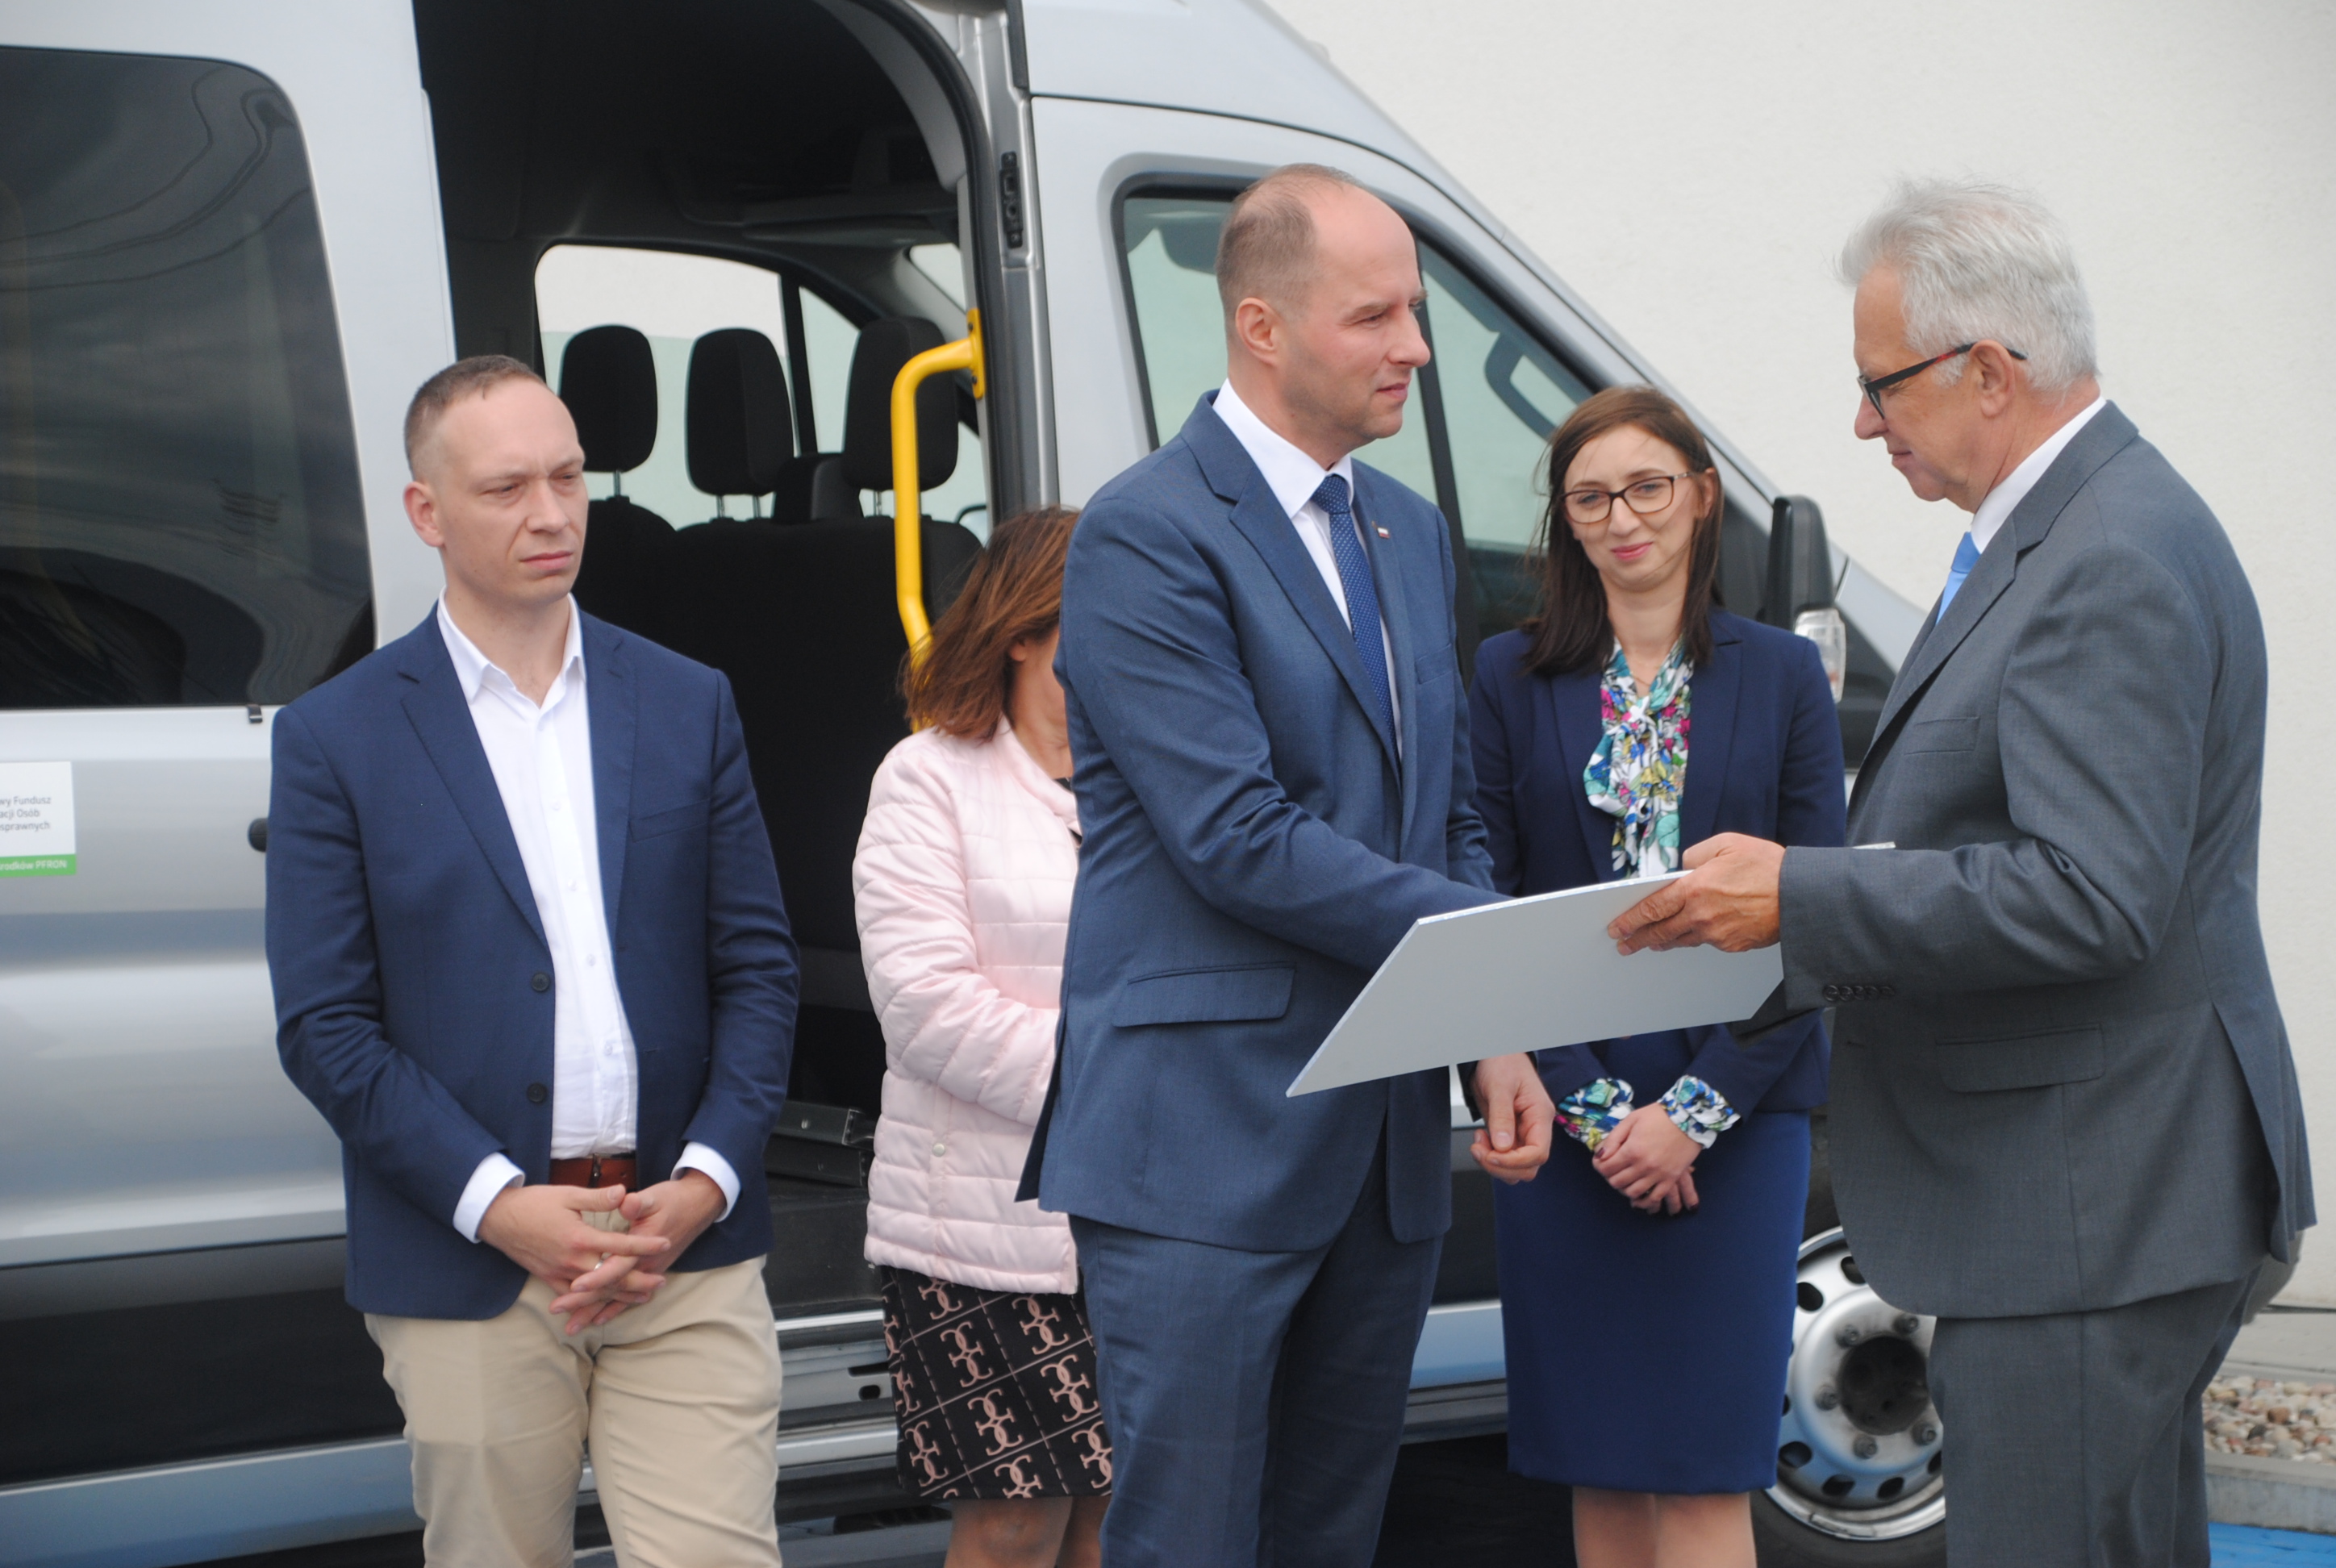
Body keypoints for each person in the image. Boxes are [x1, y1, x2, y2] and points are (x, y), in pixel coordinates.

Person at [1608, 179, 2312, 1567]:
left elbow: (2092, 894)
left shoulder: (2104, 554)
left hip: (2090, 1207)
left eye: (1882, 387)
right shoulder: (2078, 525)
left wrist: (1801, 896)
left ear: (1989, 370)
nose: (1865, 423)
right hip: (2096, 1196)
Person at [1020, 163, 1556, 1567]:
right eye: (1375, 317)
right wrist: (1506, 948)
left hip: (1376, 1151)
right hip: (1202, 1149)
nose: (1416, 350)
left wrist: (1496, 1021)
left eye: (1416, 313)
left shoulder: (1410, 530)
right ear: (1261, 327)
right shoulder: (1146, 530)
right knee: (1191, 1541)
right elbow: (1236, 839)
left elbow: (1443, 807)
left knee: (1332, 1536)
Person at [267, 357, 798, 1567]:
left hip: (685, 1246)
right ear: (426, 513)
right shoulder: (334, 739)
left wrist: (708, 1178)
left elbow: (757, 968)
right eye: (507, 487)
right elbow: (327, 1027)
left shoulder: (687, 700)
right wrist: (502, 1208)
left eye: (569, 477)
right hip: (470, 1265)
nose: (553, 514)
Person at [1470, 385, 1845, 1567]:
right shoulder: (1506, 676)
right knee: (1601, 1469)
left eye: (1646, 487)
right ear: (1566, 522)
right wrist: (1594, 1114)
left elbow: (1820, 913)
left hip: (1736, 1113)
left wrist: (1688, 1119)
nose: (1621, 518)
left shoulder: (1783, 675)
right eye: (1590, 498)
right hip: (1564, 1109)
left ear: (1700, 497)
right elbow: (1484, 895)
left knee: (1698, 1474)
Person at [853, 505, 1109, 1568]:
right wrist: (1138, 1082)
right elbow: (926, 1008)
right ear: (1023, 630)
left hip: (1138, 1222)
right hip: (982, 1240)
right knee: (1012, 1528)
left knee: (1116, 1517)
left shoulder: (1158, 781)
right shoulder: (928, 778)